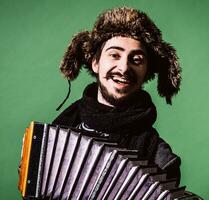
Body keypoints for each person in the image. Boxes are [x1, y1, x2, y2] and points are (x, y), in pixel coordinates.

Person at [53, 6, 182, 183]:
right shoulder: (55, 138)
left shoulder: (160, 160)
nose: (124, 68)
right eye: (114, 55)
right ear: (95, 63)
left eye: (136, 60)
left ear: (146, 72)